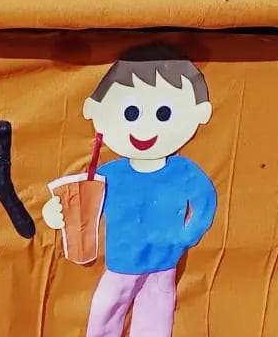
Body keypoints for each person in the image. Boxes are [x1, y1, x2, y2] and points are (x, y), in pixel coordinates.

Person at [42, 45, 217, 337]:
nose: (146, 126)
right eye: (131, 112)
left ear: (200, 113)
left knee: (155, 319)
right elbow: (82, 202)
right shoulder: (109, 174)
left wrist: (185, 236)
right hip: (121, 260)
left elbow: (204, 200)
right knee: (105, 312)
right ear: (95, 110)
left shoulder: (183, 170)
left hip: (163, 261)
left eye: (163, 113)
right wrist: (55, 213)